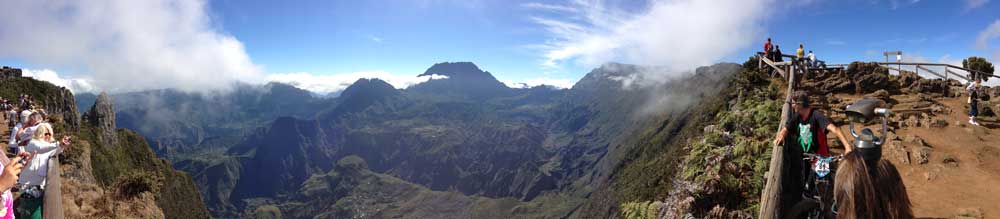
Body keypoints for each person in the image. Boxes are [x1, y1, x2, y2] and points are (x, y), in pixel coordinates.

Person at [773, 92, 854, 216]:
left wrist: (847, 146)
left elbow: (835, 129)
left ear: (800, 105)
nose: (792, 105)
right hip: (807, 158)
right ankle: (810, 208)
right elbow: (786, 128)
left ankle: (827, 209)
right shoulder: (798, 116)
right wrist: (781, 136)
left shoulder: (816, 116)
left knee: (823, 188)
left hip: (821, 159)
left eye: (794, 103)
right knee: (808, 186)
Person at [15, 123, 71, 219]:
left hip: (38, 185)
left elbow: (54, 151)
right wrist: (58, 144)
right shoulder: (33, 143)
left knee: (34, 212)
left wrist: (62, 146)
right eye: (46, 133)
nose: (49, 136)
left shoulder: (47, 146)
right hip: (27, 184)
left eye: (49, 134)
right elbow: (41, 149)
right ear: (40, 133)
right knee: (30, 212)